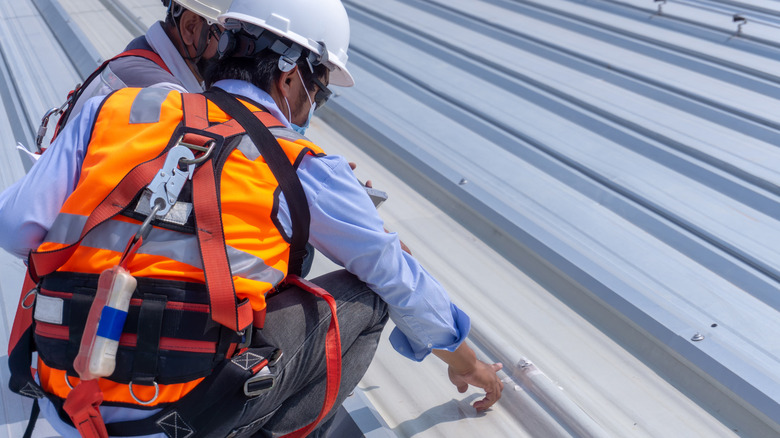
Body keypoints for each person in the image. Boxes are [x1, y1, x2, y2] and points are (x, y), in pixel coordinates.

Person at [0, 0, 504, 436]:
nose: (314, 105)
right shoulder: (301, 163)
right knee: (369, 295)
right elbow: (397, 277)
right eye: (320, 90)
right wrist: (469, 363)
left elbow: (14, 226)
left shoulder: (112, 111)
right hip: (185, 418)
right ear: (290, 76)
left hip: (66, 400)